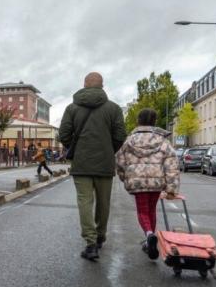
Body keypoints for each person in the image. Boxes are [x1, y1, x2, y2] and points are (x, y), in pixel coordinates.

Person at [59, 72, 126, 261]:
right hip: (105, 163)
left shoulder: (71, 108)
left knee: (84, 201)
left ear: (84, 85)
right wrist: (108, 149)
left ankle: (90, 243)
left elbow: (63, 134)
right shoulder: (113, 109)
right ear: (102, 86)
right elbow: (120, 135)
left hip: (81, 164)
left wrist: (76, 148)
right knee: (103, 202)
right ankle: (100, 236)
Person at [116, 108, 180, 259]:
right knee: (151, 210)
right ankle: (149, 239)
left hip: (138, 182)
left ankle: (149, 235)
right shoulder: (163, 141)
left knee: (142, 211)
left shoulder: (129, 141)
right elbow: (172, 164)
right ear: (154, 122)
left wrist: (125, 177)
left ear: (139, 121)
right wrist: (171, 188)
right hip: (157, 182)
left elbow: (119, 160)